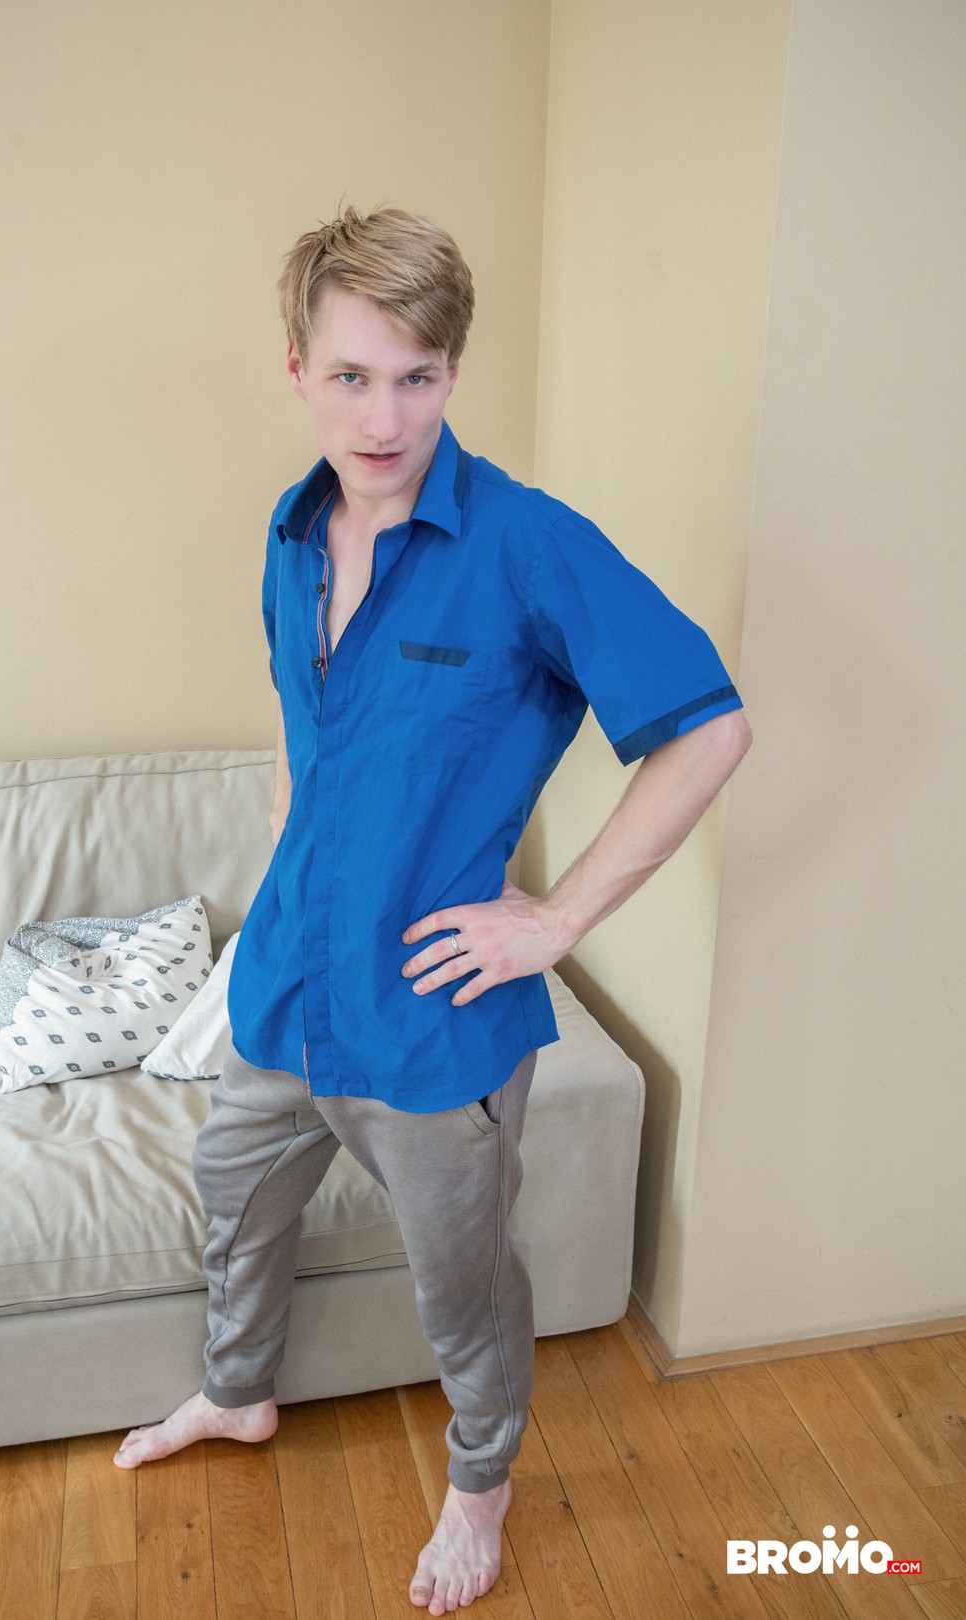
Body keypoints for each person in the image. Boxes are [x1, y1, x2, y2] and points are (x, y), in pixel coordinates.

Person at [113, 205, 752, 1616]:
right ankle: (238, 1392)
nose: (385, 417)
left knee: (464, 1285)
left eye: (418, 376)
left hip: (432, 1015)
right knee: (233, 1196)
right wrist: (285, 868)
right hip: (287, 984)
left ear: (455, 369)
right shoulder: (290, 536)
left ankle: (480, 1486)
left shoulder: (528, 544)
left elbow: (709, 729)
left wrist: (556, 921)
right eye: (351, 376)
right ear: (297, 368)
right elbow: (305, 737)